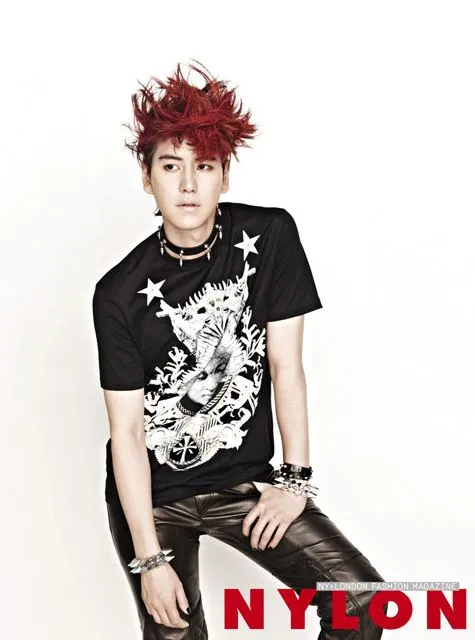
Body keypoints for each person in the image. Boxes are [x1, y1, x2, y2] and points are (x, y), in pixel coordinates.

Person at [92, 60, 386, 639]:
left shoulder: (270, 237)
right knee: (175, 631)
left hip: (243, 481)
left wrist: (295, 483)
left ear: (224, 175)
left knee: (362, 604)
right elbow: (126, 432)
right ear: (147, 177)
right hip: (155, 498)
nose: (187, 185)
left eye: (203, 166)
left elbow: (285, 367)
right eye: (170, 166)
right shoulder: (118, 293)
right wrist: (149, 561)